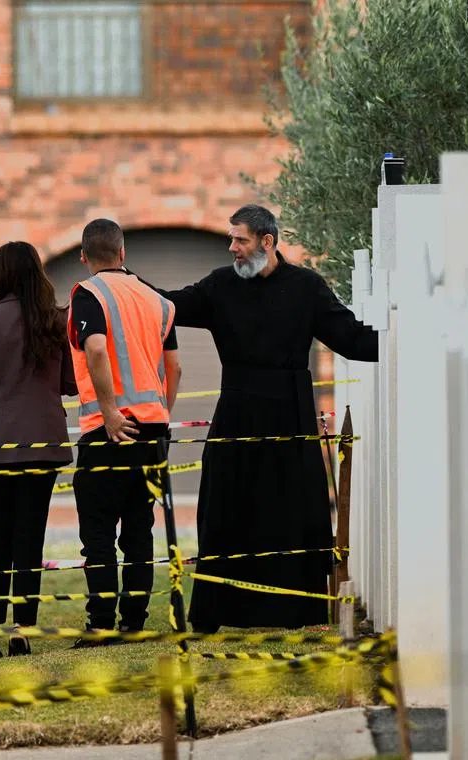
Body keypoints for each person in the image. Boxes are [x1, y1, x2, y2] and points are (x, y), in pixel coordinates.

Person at [163, 204, 378, 632]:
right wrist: (124, 284)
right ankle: (218, 611)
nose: (232, 248)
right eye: (231, 240)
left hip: (290, 412)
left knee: (294, 511)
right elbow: (169, 307)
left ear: (267, 241)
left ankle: (297, 611)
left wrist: (406, 337)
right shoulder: (220, 286)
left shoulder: (306, 287)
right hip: (238, 410)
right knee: (225, 508)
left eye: (240, 240)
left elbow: (350, 338)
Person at [0, 241, 78, 659]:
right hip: (42, 439)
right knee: (30, 537)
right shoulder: (56, 320)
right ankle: (22, 630)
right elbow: (69, 384)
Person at [67, 219, 182, 646]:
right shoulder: (157, 300)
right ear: (123, 253)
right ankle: (134, 621)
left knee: (98, 532)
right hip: (153, 431)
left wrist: (112, 411)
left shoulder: (89, 294)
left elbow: (96, 348)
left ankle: (101, 624)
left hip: (108, 431)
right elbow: (175, 367)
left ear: (84, 256)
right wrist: (161, 414)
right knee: (139, 529)